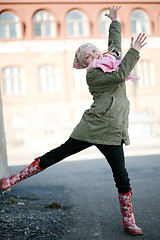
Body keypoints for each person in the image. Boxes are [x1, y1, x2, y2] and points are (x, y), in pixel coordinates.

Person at [0, 5, 147, 236]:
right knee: (56, 155)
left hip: (112, 131)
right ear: (85, 63)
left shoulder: (111, 59)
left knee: (122, 176)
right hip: (92, 127)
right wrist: (135, 50)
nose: (94, 56)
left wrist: (115, 21)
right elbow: (120, 75)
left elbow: (115, 47)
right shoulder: (94, 73)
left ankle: (129, 221)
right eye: (88, 56)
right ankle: (11, 180)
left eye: (94, 52)